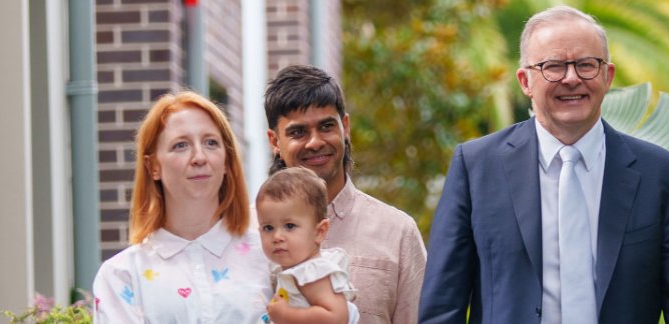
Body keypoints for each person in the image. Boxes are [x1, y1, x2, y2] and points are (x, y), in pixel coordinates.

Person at [419, 5, 669, 324]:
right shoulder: (477, 167)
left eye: (586, 65)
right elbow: (443, 306)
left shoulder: (664, 177)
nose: (572, 78)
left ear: (608, 76)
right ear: (525, 81)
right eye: (553, 66)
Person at [263, 65, 426, 324]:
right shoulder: (245, 232)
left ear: (345, 127)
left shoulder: (397, 233)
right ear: (274, 142)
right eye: (298, 132)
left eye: (326, 126)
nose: (315, 142)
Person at [93, 91, 272, 323]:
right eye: (181, 145)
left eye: (211, 143)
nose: (199, 157)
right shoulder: (121, 275)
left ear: (227, 160)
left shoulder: (270, 256)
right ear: (153, 166)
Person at [256, 167, 361, 324]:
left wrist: (285, 315)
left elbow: (337, 317)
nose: (277, 237)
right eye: (268, 228)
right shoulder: (296, 269)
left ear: (319, 231)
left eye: (290, 226)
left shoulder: (312, 273)